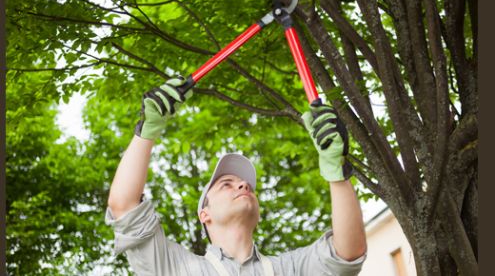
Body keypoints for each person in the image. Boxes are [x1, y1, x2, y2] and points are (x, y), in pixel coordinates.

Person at [106, 77, 367, 275]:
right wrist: (147, 130)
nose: (243, 184)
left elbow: (347, 253)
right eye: (225, 184)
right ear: (204, 215)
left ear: (259, 214)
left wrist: (336, 172)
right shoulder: (178, 268)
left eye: (246, 186)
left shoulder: (288, 268)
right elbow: (124, 207)